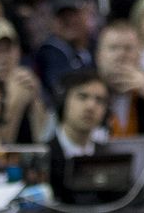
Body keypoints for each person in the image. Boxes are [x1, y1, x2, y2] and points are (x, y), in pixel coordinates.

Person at [48, 68, 112, 204]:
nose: (91, 106)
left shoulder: (109, 156)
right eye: (82, 97)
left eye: (99, 100)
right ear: (63, 100)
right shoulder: (43, 156)